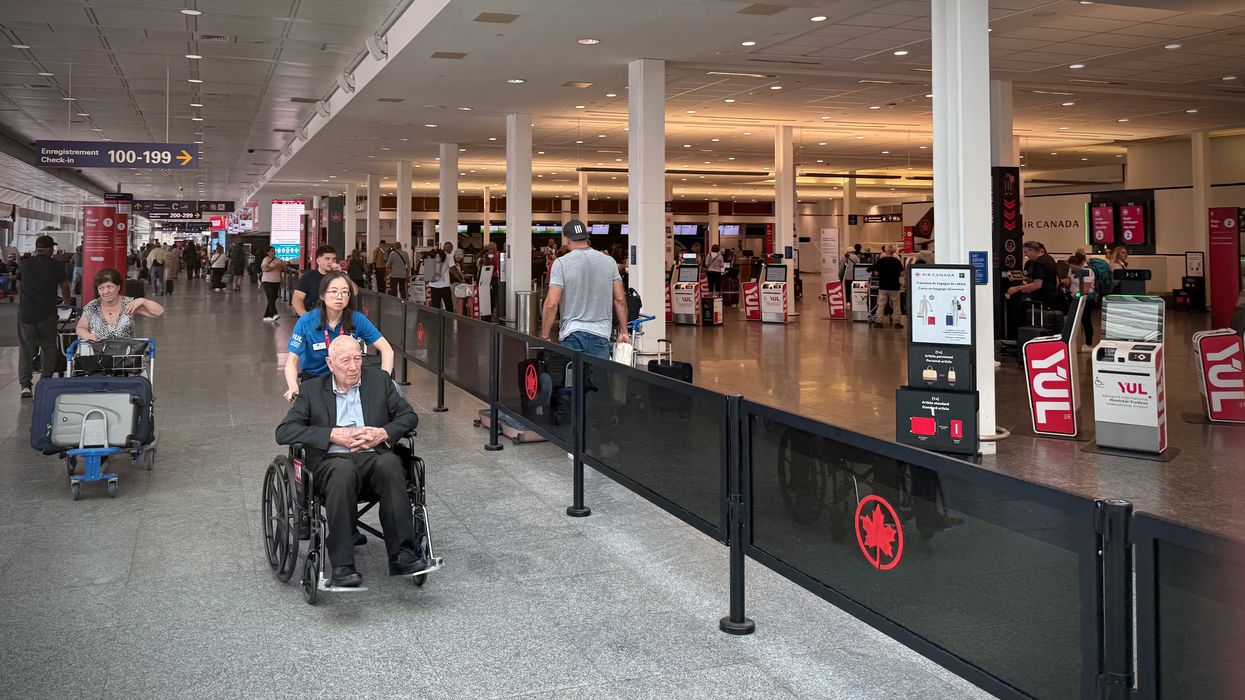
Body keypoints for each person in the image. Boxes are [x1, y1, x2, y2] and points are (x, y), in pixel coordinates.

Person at [275, 335, 423, 587]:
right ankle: (343, 566)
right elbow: (284, 432)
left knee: (390, 464)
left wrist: (384, 433)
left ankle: (403, 554)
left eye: (357, 359)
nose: (354, 367)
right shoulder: (312, 390)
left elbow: (409, 416)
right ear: (330, 364)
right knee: (342, 470)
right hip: (330, 463)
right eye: (345, 361)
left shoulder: (378, 382)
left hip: (372, 458)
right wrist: (332, 434)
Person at [284, 271, 394, 402]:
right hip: (316, 381)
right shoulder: (306, 321)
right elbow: (291, 361)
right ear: (323, 295)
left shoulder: (357, 319)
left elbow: (387, 350)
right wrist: (293, 386)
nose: (339, 296)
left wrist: (384, 381)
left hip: (349, 381)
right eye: (334, 291)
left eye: (344, 292)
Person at [539, 219, 629, 358]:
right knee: (598, 378)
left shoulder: (561, 263)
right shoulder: (609, 261)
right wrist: (623, 331)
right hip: (600, 333)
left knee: (572, 377)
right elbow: (620, 299)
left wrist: (545, 336)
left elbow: (552, 303)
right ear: (586, 238)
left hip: (572, 333)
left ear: (567, 239)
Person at [17, 235, 72, 398]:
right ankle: (45, 382)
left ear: (37, 248)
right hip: (47, 314)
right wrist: (66, 304)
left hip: (26, 313)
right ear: (49, 250)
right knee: (48, 347)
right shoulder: (56, 265)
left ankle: (25, 386)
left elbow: (19, 286)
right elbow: (65, 288)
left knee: (26, 349)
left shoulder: (24, 264)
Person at [76, 268, 165, 341]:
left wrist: (143, 301)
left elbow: (159, 312)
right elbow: (80, 328)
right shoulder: (92, 306)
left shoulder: (129, 304)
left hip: (126, 356)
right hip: (98, 357)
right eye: (101, 288)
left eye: (109, 287)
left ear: (118, 287)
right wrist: (88, 336)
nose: (106, 291)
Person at [1005, 240, 1059, 337]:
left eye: (1027, 252)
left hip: (1041, 300)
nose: (1026, 255)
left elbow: (1037, 284)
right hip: (1052, 298)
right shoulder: (1049, 259)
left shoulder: (1039, 263)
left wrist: (1017, 288)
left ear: (1033, 250)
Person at [292, 245, 339, 316]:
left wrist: (342, 274)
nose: (331, 262)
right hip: (313, 317)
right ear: (318, 261)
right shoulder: (308, 278)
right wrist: (307, 318)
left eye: (334, 259)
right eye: (327, 259)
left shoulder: (338, 277)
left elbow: (354, 291)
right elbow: (297, 300)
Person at [1066, 253, 1098, 351]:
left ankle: (1089, 344)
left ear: (1080, 264)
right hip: (1074, 296)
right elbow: (1070, 279)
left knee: (1086, 321)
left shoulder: (1087, 271)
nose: (1073, 269)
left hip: (1086, 299)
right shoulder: (1072, 269)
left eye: (1074, 267)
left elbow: (1085, 290)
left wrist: (1075, 295)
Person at [869, 246, 905, 329]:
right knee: (896, 305)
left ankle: (879, 322)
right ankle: (897, 323)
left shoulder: (880, 261)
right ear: (893, 252)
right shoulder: (897, 261)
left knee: (881, 304)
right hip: (894, 286)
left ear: (885, 252)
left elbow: (876, 273)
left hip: (883, 286)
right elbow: (902, 273)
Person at [260, 246, 286, 323]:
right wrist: (275, 267)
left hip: (276, 281)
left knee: (274, 297)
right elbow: (265, 269)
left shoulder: (278, 259)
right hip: (267, 281)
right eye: (271, 251)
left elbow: (282, 268)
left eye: (274, 251)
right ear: (267, 252)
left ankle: (267, 315)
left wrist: (279, 267)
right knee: (270, 297)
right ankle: (274, 314)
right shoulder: (266, 260)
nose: (273, 252)